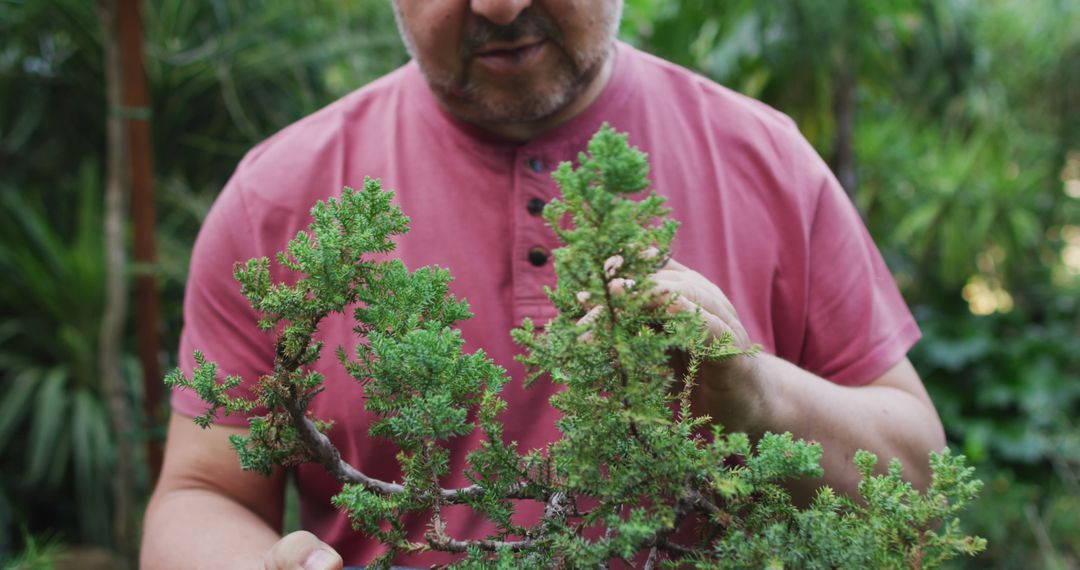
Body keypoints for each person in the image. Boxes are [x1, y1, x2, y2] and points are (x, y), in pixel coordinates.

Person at [141, 1, 946, 568]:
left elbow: (921, 494)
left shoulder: (766, 160)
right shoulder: (277, 198)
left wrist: (761, 401)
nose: (499, 4)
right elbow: (199, 493)